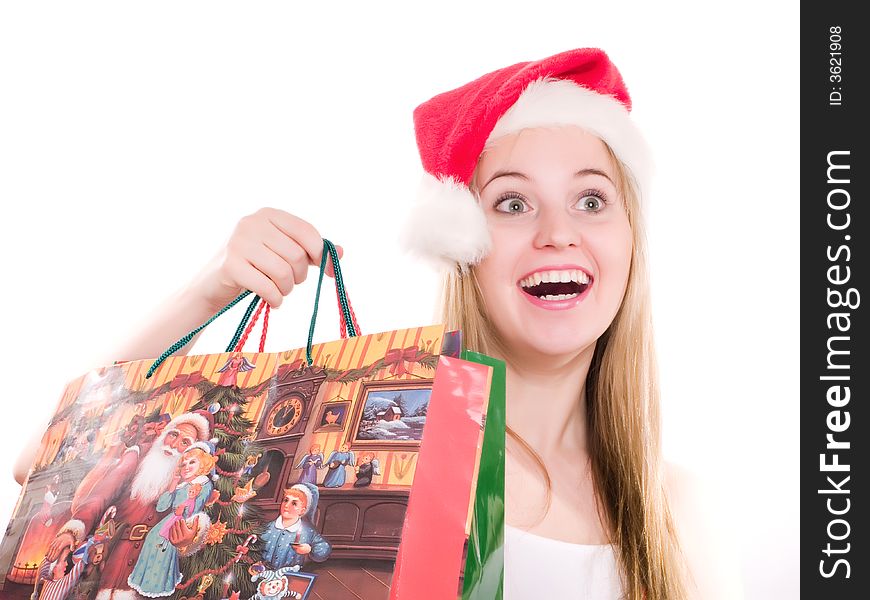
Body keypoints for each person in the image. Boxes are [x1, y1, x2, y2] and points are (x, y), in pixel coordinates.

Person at [15, 48, 739, 599]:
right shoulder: (424, 446)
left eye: (591, 200)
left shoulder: (677, 509)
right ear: (466, 249)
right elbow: (43, 470)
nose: (557, 233)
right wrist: (210, 289)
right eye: (513, 204)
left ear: (631, 241)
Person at [43, 411, 216, 600]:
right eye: (173, 434)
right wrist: (74, 528)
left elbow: (189, 518)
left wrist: (188, 538)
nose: (174, 445)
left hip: (148, 567)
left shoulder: (191, 482)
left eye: (185, 443)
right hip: (109, 556)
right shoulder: (139, 454)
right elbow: (102, 493)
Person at [126, 443, 217, 598]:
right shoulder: (181, 485)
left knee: (164, 549)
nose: (187, 467)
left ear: (203, 464)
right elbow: (162, 507)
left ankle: (156, 586)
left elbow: (194, 511)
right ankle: (143, 582)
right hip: (167, 521)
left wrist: (189, 502)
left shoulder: (203, 484)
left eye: (192, 462)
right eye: (184, 464)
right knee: (152, 540)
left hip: (181, 525)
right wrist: (173, 485)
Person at [259, 483, 331, 571]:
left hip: (290, 578)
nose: (286, 505)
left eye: (294, 503)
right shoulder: (268, 527)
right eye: (286, 500)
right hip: (264, 576)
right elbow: (254, 547)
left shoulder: (307, 531)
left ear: (302, 510)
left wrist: (310, 549)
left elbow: (324, 549)